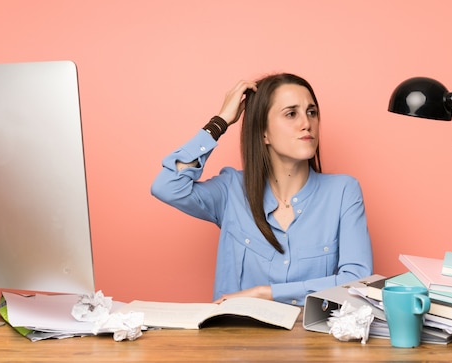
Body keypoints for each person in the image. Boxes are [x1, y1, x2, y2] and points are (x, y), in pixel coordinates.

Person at [151, 73, 373, 306]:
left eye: (312, 112)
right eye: (291, 114)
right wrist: (221, 121)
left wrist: (265, 293)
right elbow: (167, 186)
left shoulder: (343, 192)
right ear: (263, 132)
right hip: (236, 338)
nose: (306, 123)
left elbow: (357, 282)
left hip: (313, 340)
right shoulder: (231, 190)